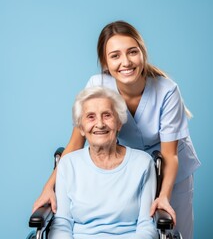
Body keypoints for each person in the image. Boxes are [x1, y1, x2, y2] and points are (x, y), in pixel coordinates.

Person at [33, 20, 200, 239]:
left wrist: (164, 196)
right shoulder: (98, 84)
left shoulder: (167, 91)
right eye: (115, 55)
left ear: (142, 53)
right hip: (131, 172)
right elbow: (75, 143)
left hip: (170, 169)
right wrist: (49, 187)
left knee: (170, 228)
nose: (125, 62)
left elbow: (169, 155)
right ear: (105, 62)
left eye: (132, 52)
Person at [48, 86, 158, 239]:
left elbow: (147, 225)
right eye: (90, 117)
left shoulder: (143, 163)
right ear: (80, 127)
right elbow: (62, 224)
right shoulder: (68, 164)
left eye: (107, 115)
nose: (100, 124)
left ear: (119, 123)